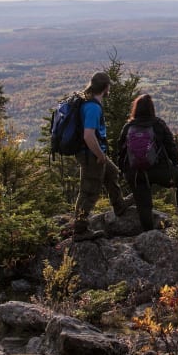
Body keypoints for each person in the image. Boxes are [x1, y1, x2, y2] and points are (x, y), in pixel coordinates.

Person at [115, 93, 178, 231]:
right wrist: (177, 164)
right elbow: (170, 146)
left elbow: (121, 151)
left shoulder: (128, 127)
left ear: (135, 109)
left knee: (143, 205)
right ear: (151, 109)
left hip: (135, 173)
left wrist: (123, 171)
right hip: (159, 170)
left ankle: (148, 234)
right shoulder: (158, 124)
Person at [71, 71, 127, 239]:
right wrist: (100, 155)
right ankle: (80, 229)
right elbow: (88, 135)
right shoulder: (93, 107)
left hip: (91, 152)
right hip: (90, 154)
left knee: (112, 172)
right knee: (89, 191)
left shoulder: (88, 102)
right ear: (105, 88)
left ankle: (119, 205)